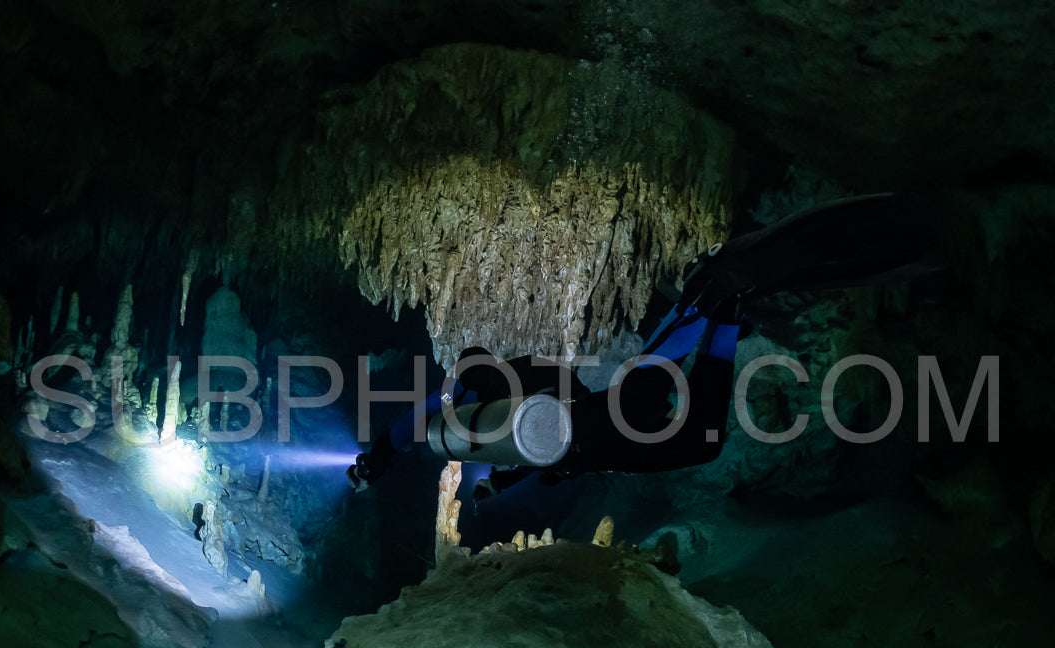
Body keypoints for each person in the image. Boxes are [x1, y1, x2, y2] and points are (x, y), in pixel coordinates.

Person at [346, 193, 940, 499]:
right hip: (594, 439)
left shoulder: (481, 392)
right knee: (701, 439)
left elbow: (416, 421)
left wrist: (379, 457)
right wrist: (501, 482)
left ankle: (713, 292)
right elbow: (535, 453)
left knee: (651, 389)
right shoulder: (506, 389)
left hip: (595, 428)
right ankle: (726, 309)